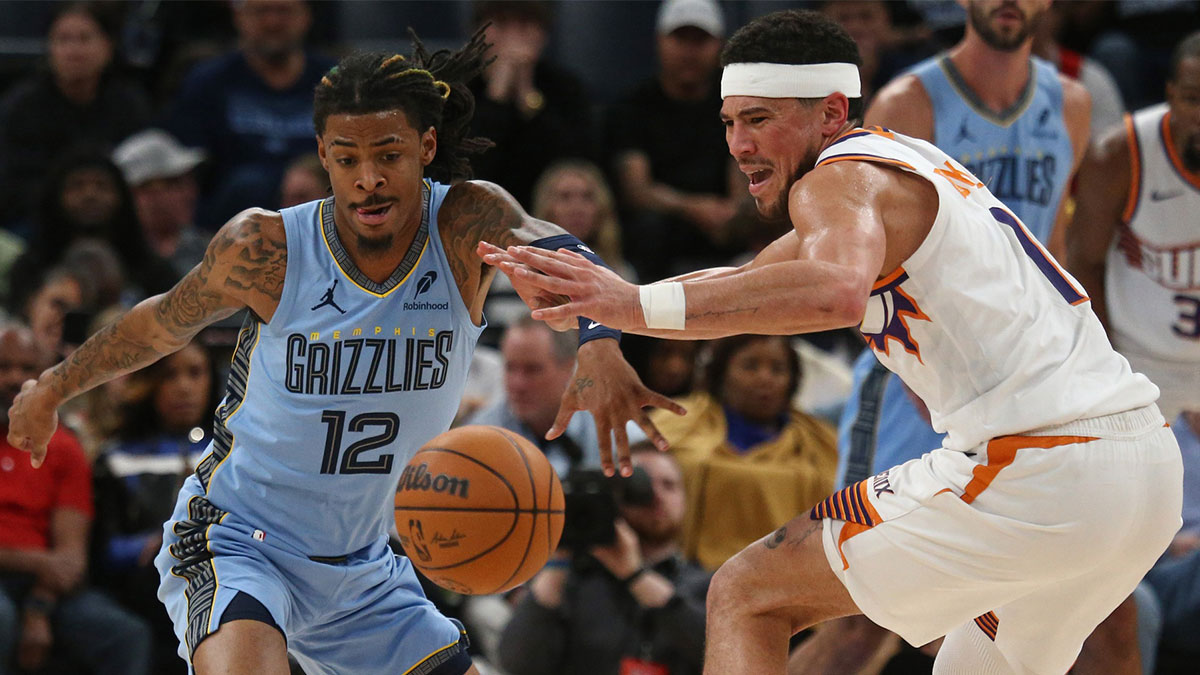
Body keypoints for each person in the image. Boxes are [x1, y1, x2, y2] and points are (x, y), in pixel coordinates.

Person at [484, 10, 1181, 674]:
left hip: (1045, 467)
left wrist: (630, 301)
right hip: (1141, 472)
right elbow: (751, 281)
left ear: (830, 113)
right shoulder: (900, 165)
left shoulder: (836, 179)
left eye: (759, 119)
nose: (738, 144)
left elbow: (835, 291)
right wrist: (614, 317)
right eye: (729, 122)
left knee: (747, 591)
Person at [7, 31, 678, 675]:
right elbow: (162, 322)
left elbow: (560, 248)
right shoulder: (266, 248)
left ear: (426, 145)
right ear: (323, 156)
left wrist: (600, 341)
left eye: (388, 154)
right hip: (239, 537)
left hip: (361, 564)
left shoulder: (462, 223)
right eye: (348, 158)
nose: (369, 180)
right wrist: (54, 386)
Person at [0, 322, 152, 675]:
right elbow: (54, 562)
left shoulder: (66, 448)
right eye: (2, 367)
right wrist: (41, 563)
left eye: (25, 369)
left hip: (47, 591)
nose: (12, 379)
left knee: (127, 636)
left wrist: (38, 608)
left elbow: (70, 561)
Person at [1067, 31, 1200, 425]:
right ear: (1171, 95)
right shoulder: (1118, 156)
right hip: (1137, 360)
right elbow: (1083, 265)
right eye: (1194, 99)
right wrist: (1109, 374)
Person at [497, 442, 710, 675]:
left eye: (669, 485)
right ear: (613, 496)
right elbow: (517, 663)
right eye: (640, 485)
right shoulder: (570, 581)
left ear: (685, 499)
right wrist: (559, 557)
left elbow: (717, 650)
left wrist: (635, 576)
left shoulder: (707, 586)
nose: (655, 495)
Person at [649, 335, 838, 571]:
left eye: (777, 369)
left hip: (787, 577)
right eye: (750, 366)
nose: (764, 378)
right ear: (721, 372)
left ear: (792, 380)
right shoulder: (676, 420)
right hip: (684, 572)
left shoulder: (821, 440)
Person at [92, 340, 220, 673]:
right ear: (149, 383)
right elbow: (103, 551)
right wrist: (154, 543)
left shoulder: (234, 452)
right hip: (145, 591)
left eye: (195, 373)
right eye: (169, 375)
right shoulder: (117, 457)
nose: (184, 387)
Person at [165, 0, 336, 224]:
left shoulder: (335, 80)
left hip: (323, 211)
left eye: (284, 11)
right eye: (261, 11)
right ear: (238, 16)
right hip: (228, 222)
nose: (273, 22)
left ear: (306, 17)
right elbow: (189, 167)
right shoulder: (207, 82)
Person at [605, 0, 742, 280]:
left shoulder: (735, 104)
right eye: (680, 39)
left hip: (721, 226)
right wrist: (694, 209)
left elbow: (742, 175)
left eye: (700, 40)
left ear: (720, 45)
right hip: (660, 229)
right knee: (649, 226)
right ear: (660, 42)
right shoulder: (633, 107)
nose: (689, 52)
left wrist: (733, 212)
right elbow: (637, 190)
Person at [0, 1, 152, 231]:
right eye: (63, 40)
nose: (73, 50)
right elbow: (16, 185)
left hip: (117, 218)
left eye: (84, 39)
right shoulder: (21, 107)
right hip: (39, 221)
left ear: (108, 46)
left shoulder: (129, 103)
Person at [470, 317, 642, 477]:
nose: (518, 384)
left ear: (568, 368)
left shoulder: (615, 429)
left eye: (532, 370)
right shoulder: (478, 436)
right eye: (510, 368)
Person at [467, 1, 593, 208]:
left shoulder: (566, 88)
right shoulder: (456, 88)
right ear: (478, 32)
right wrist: (496, 95)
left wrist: (527, 94)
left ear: (543, 35)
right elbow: (466, 169)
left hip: (549, 217)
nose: (513, 38)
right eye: (501, 24)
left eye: (524, 25)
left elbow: (573, 167)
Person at [113, 129, 211, 278]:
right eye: (176, 183)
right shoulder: (109, 259)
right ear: (138, 194)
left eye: (190, 181)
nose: (190, 193)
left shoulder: (212, 252)